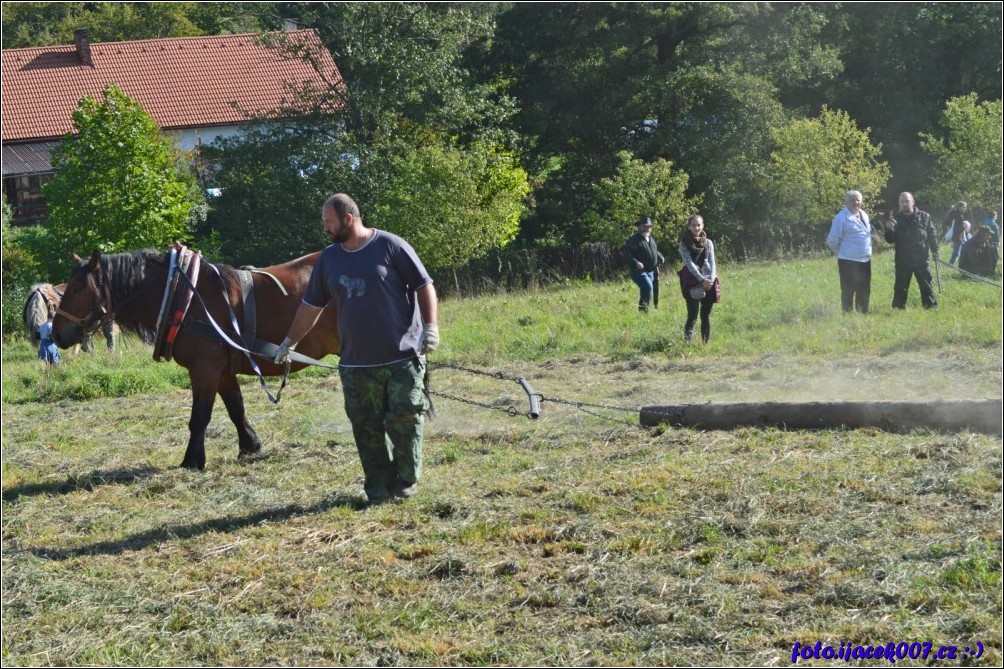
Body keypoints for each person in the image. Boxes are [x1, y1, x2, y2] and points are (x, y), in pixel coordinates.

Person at [273, 194, 439, 507]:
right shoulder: (329, 259)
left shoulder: (390, 246)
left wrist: (430, 327)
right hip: (356, 364)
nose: (325, 228)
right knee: (366, 429)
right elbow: (311, 306)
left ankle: (406, 481)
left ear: (348, 219)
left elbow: (423, 285)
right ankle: (378, 490)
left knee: (405, 421)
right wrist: (289, 341)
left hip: (402, 357)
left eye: (329, 222)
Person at [883, 192, 939, 309]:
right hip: (903, 260)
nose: (904, 204)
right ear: (899, 204)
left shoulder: (924, 217)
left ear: (913, 202)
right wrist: (889, 229)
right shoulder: (895, 219)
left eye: (907, 201)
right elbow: (890, 240)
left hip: (921, 259)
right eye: (902, 202)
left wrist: (935, 251)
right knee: (900, 287)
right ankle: (898, 309)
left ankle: (930, 308)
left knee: (926, 285)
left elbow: (932, 235)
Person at [826, 190, 874, 314]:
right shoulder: (841, 218)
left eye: (858, 200)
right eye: (852, 200)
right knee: (848, 290)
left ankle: (862, 313)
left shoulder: (864, 215)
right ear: (846, 202)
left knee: (864, 288)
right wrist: (843, 252)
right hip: (848, 261)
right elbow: (832, 241)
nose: (855, 202)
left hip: (865, 259)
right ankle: (847, 315)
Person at [678, 214, 718, 343]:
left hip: (709, 281)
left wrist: (711, 279)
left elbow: (712, 262)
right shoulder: (684, 244)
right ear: (689, 227)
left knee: (705, 315)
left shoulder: (708, 243)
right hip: (692, 281)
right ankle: (687, 344)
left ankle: (705, 344)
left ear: (703, 226)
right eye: (693, 225)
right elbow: (689, 264)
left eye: (699, 225)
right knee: (693, 315)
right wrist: (701, 280)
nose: (696, 228)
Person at [624, 216, 664, 312]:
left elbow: (654, 251)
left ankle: (643, 313)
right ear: (639, 227)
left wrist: (659, 258)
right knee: (647, 287)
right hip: (638, 271)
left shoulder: (651, 239)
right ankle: (643, 312)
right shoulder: (634, 240)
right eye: (644, 226)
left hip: (651, 271)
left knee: (648, 292)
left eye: (649, 226)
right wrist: (636, 262)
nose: (647, 228)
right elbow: (626, 253)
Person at [943, 201, 969, 265]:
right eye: (964, 207)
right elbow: (959, 227)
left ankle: (955, 263)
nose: (965, 209)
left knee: (959, 251)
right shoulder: (959, 215)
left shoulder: (954, 213)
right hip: (958, 236)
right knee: (956, 252)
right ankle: (951, 263)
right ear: (959, 207)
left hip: (956, 235)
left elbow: (948, 222)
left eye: (965, 207)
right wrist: (965, 227)